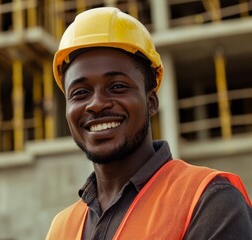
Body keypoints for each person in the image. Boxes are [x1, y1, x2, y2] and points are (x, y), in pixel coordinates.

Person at [46, 7, 252, 240]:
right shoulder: (61, 228)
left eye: (117, 87)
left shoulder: (209, 200)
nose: (96, 104)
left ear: (151, 102)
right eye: (80, 92)